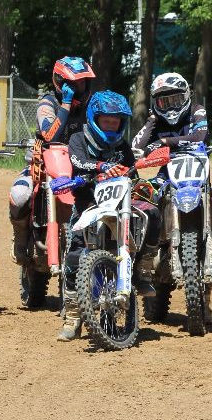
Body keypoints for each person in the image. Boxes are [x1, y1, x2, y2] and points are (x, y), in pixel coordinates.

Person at [58, 90, 162, 341]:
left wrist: (143, 182)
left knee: (153, 212)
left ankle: (144, 268)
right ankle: (73, 315)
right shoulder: (78, 139)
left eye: (115, 122)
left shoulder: (123, 146)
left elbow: (131, 171)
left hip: (120, 205)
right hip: (88, 204)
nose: (111, 125)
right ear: (95, 118)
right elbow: (77, 161)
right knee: (75, 252)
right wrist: (100, 167)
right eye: (106, 121)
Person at [130, 72, 212, 321]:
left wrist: (165, 140)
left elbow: (200, 136)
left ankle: (205, 300)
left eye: (175, 99)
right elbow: (136, 145)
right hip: (168, 173)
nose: (171, 106)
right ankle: (146, 258)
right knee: (142, 197)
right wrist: (153, 122)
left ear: (186, 96)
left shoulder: (197, 111)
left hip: (196, 171)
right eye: (164, 101)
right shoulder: (156, 117)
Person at [9, 56, 95, 265]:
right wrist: (65, 104)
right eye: (73, 84)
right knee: (20, 195)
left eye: (82, 82)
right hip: (42, 164)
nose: (79, 88)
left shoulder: (91, 105)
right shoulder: (47, 103)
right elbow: (49, 136)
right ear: (60, 82)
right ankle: (21, 238)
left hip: (79, 164)